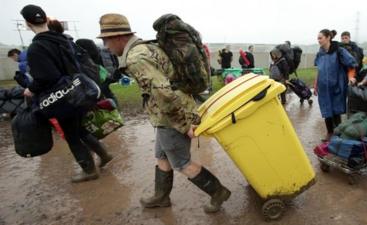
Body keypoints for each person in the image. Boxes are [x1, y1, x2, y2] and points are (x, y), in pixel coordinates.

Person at [97, 13, 231, 213]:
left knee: (182, 162)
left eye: (106, 41)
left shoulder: (136, 57)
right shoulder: (145, 47)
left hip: (172, 116)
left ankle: (218, 192)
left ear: (118, 37)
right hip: (166, 114)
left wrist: (185, 125)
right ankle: (161, 196)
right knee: (162, 155)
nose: (106, 46)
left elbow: (164, 94)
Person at [20, 4, 112, 183]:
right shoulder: (63, 40)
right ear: (46, 19)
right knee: (80, 129)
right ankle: (104, 154)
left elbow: (46, 77)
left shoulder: (36, 48)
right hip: (79, 91)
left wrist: (30, 89)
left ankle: (89, 170)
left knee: (71, 135)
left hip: (61, 98)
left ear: (26, 23)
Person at [314, 29, 357, 141]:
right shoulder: (320, 54)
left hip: (337, 85)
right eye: (318, 38)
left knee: (336, 110)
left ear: (328, 37)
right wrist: (315, 85)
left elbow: (351, 65)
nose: (318, 40)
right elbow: (318, 70)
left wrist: (351, 77)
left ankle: (338, 134)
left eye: (320, 38)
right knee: (326, 109)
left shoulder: (339, 51)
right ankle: (329, 133)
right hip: (323, 87)